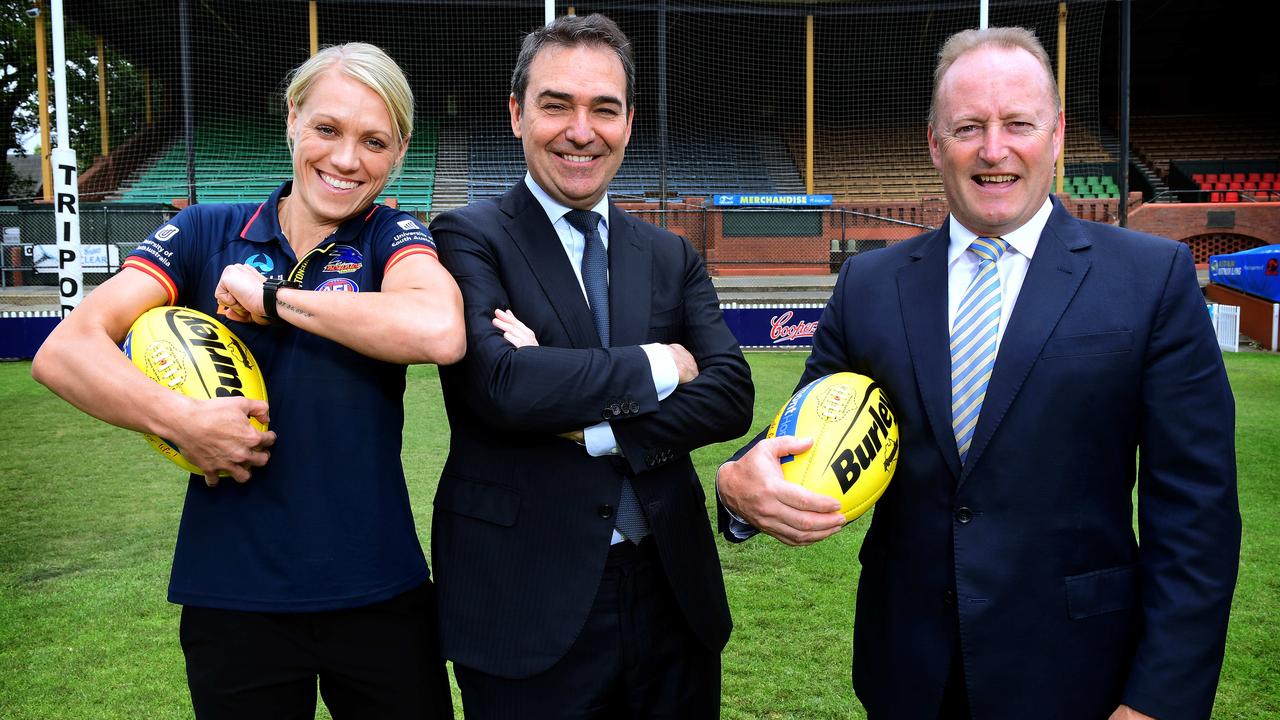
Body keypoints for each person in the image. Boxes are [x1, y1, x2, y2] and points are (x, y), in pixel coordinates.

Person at [716, 26, 1240, 720]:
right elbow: (806, 431)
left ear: (1055, 136)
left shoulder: (1150, 279)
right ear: (936, 143)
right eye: (969, 127)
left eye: (1017, 124)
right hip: (908, 676)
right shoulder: (868, 285)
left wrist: (1159, 702)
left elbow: (1196, 516)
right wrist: (735, 483)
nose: (994, 150)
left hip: (1079, 678)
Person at [31, 43, 463, 718]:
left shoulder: (391, 236)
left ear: (400, 150)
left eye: (374, 141)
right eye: (327, 129)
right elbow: (65, 350)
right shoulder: (206, 231)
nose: (347, 160)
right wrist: (177, 420)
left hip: (378, 589)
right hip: (232, 595)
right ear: (292, 119)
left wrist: (272, 300)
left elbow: (438, 329)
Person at [429, 13, 752, 718]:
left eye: (604, 108)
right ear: (516, 114)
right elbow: (503, 387)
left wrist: (589, 418)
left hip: (673, 596)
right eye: (556, 105)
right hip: (525, 601)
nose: (582, 130)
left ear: (629, 122)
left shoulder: (669, 254)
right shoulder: (464, 236)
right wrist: (661, 362)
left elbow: (732, 393)